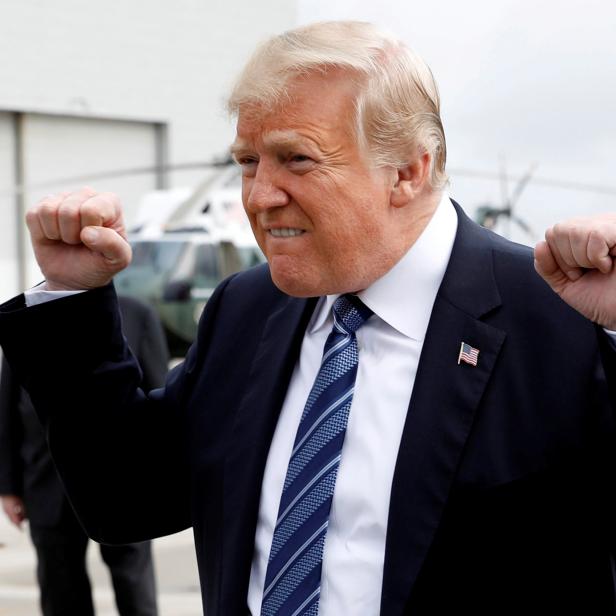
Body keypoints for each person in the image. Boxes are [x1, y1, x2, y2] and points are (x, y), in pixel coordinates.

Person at [0, 20, 616, 616]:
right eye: (247, 162)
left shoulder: (565, 317)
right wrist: (73, 295)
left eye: (296, 159)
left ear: (407, 170)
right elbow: (125, 499)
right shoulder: (247, 309)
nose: (260, 195)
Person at [0, 294, 169, 616]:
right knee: (60, 591)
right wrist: (8, 486)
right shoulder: (28, 312)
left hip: (124, 485)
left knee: (135, 589)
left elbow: (159, 400)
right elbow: (7, 406)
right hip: (46, 484)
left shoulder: (138, 313)